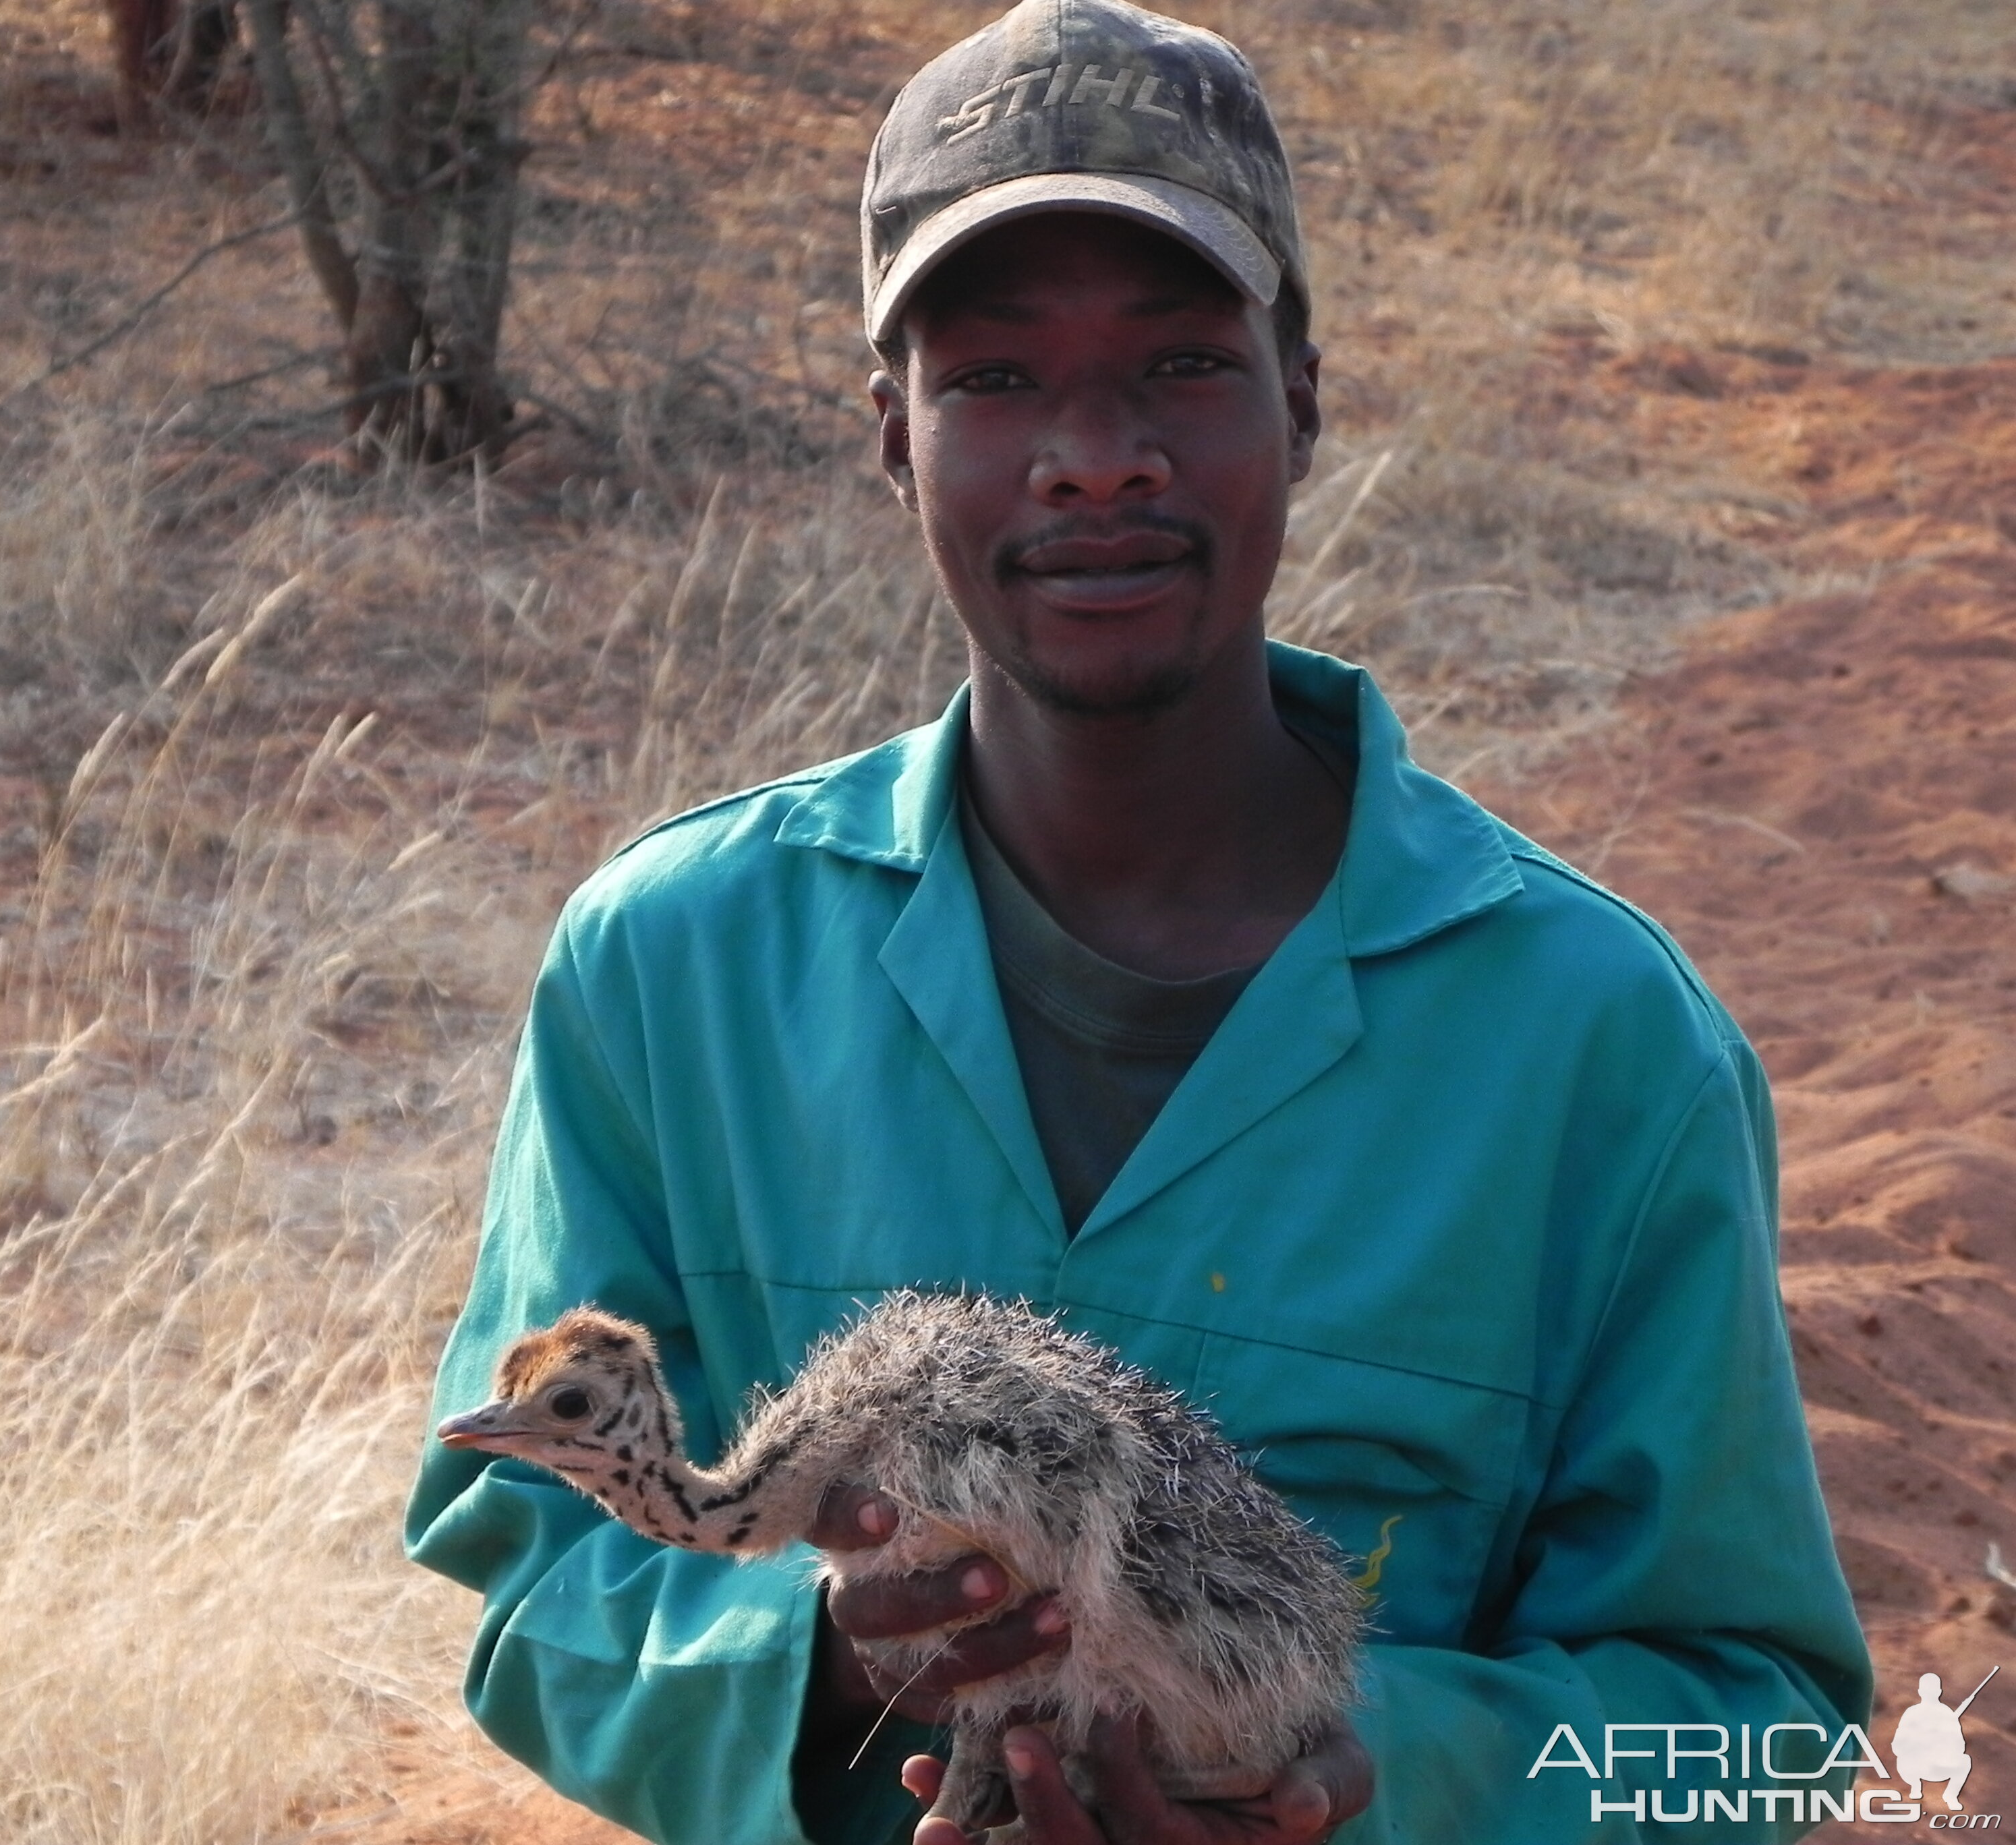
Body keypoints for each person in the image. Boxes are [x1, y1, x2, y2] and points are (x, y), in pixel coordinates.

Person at [405, 2, 1872, 1840]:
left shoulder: (1599, 1042)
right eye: (996, 379)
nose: (1094, 456)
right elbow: (524, 1574)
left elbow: (1756, 1723)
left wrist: (1369, 1780)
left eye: (1181, 363)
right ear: (893, 436)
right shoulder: (670, 973)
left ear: (1303, 398)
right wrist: (825, 1670)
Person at [1891, 1674, 1973, 1811]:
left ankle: (1950, 1795)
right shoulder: (1912, 1713)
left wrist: (1944, 1740)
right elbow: (1897, 1745)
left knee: (1965, 1761)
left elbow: (1960, 1746)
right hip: (1914, 1766)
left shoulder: (1947, 1714)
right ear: (1920, 1692)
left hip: (1938, 1765)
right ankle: (1915, 1787)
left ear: (1939, 1692)